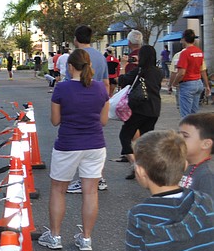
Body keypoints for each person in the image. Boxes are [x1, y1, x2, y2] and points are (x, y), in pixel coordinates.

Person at [38, 48, 109, 251]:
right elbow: (103, 121)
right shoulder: (100, 89)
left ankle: (55, 236)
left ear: (70, 67)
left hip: (68, 144)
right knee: (90, 191)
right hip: (96, 145)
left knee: (58, 190)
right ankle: (86, 239)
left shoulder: (62, 88)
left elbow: (55, 121)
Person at [65, 26, 110, 195]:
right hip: (97, 102)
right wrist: (105, 102)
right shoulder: (100, 56)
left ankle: (85, 180)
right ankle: (98, 178)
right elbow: (106, 83)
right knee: (96, 142)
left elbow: (70, 84)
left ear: (76, 38)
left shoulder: (74, 58)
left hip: (77, 105)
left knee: (79, 143)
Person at [117, 45, 162, 180]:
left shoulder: (139, 71)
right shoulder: (158, 72)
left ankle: (136, 166)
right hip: (154, 109)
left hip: (140, 109)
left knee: (125, 136)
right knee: (145, 140)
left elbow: (122, 80)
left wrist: (123, 65)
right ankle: (146, 168)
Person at [169, 29, 211, 119]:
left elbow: (181, 72)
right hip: (198, 83)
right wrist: (207, 85)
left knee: (186, 116)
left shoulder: (185, 53)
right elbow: (202, 70)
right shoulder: (199, 52)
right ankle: (194, 131)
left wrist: (174, 83)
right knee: (194, 114)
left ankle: (185, 132)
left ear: (184, 39)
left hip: (187, 84)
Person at [178, 113, 214, 197]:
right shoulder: (178, 164)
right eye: (178, 134)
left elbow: (208, 207)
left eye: (185, 136)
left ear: (206, 144)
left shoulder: (207, 175)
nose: (178, 139)